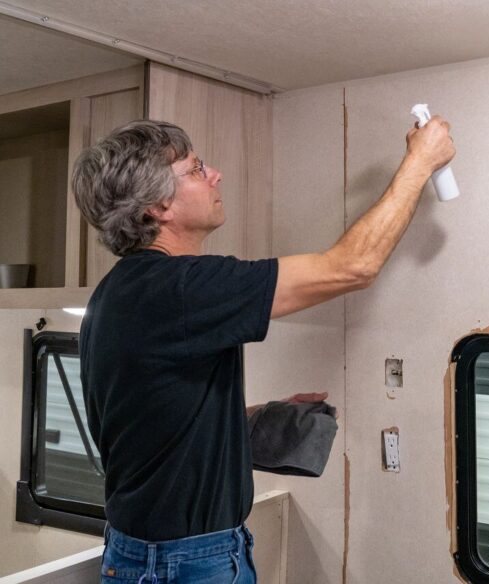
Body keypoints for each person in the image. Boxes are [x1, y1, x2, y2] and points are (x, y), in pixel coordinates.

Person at [73, 116, 454, 583]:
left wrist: (250, 417)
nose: (215, 175)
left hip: (155, 554)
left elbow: (153, 425)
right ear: (157, 207)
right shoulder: (180, 288)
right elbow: (354, 266)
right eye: (196, 170)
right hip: (184, 563)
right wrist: (421, 161)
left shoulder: (123, 292)